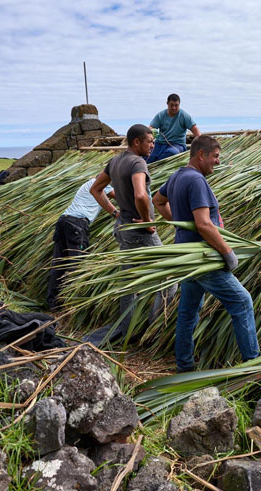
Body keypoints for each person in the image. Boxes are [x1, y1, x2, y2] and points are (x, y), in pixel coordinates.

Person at [153, 135, 260, 372]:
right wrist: (228, 251)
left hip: (189, 258)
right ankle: (253, 365)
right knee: (242, 302)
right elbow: (203, 224)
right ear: (201, 154)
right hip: (204, 256)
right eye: (215, 156)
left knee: (188, 311)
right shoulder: (196, 180)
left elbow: (157, 201)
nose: (218, 162)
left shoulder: (177, 176)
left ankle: (184, 365)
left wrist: (180, 223)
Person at [88, 124, 176, 344]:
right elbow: (140, 195)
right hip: (139, 232)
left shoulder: (116, 161)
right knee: (169, 277)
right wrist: (147, 221)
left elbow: (97, 189)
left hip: (123, 228)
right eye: (149, 141)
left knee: (129, 281)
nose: (153, 145)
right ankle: (154, 333)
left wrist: (115, 213)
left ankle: (126, 331)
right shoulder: (138, 163)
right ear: (136, 142)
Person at [46, 177, 117, 311]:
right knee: (77, 265)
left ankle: (53, 303)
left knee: (59, 263)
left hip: (64, 221)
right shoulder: (100, 183)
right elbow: (118, 197)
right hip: (77, 224)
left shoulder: (90, 182)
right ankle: (72, 304)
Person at [146, 94, 201, 163]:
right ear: (167, 103)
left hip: (178, 145)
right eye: (172, 105)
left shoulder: (184, 115)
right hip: (160, 144)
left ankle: (158, 165)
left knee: (171, 152)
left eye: (176, 105)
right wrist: (152, 133)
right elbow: (149, 129)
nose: (174, 108)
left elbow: (195, 130)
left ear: (179, 104)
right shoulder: (161, 115)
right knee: (148, 156)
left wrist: (200, 145)